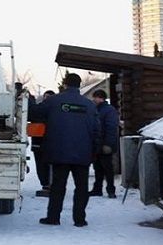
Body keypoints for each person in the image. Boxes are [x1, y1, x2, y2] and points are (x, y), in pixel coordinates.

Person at [31, 73, 99, 227]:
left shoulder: (54, 101)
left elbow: (34, 112)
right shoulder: (89, 105)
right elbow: (96, 131)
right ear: (79, 85)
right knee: (82, 188)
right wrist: (94, 152)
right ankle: (80, 219)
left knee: (58, 187)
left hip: (59, 152)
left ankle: (53, 218)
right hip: (83, 153)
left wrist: (27, 99)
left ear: (65, 85)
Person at [89, 89, 120, 198]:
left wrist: (108, 144)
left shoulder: (109, 110)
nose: (94, 99)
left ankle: (111, 190)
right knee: (98, 168)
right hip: (97, 144)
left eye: (95, 97)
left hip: (105, 144)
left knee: (108, 169)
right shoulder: (95, 109)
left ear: (100, 98)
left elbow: (111, 128)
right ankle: (97, 189)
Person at [31, 90, 56, 197]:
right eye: (46, 96)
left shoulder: (55, 110)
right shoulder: (39, 108)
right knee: (40, 164)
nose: (47, 99)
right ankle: (45, 184)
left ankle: (51, 184)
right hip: (38, 141)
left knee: (51, 164)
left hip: (51, 142)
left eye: (49, 97)